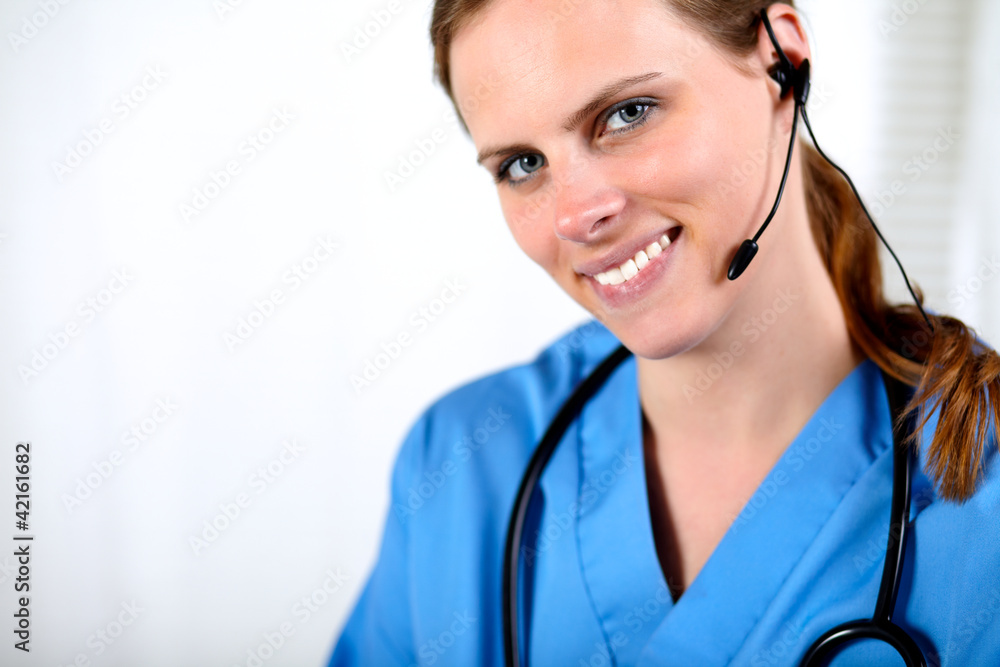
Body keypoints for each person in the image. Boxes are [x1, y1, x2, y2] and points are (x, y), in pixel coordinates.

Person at [329, 1, 1000, 664]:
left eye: (627, 114)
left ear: (782, 65)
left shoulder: (983, 500)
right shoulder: (460, 466)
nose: (575, 215)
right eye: (523, 165)